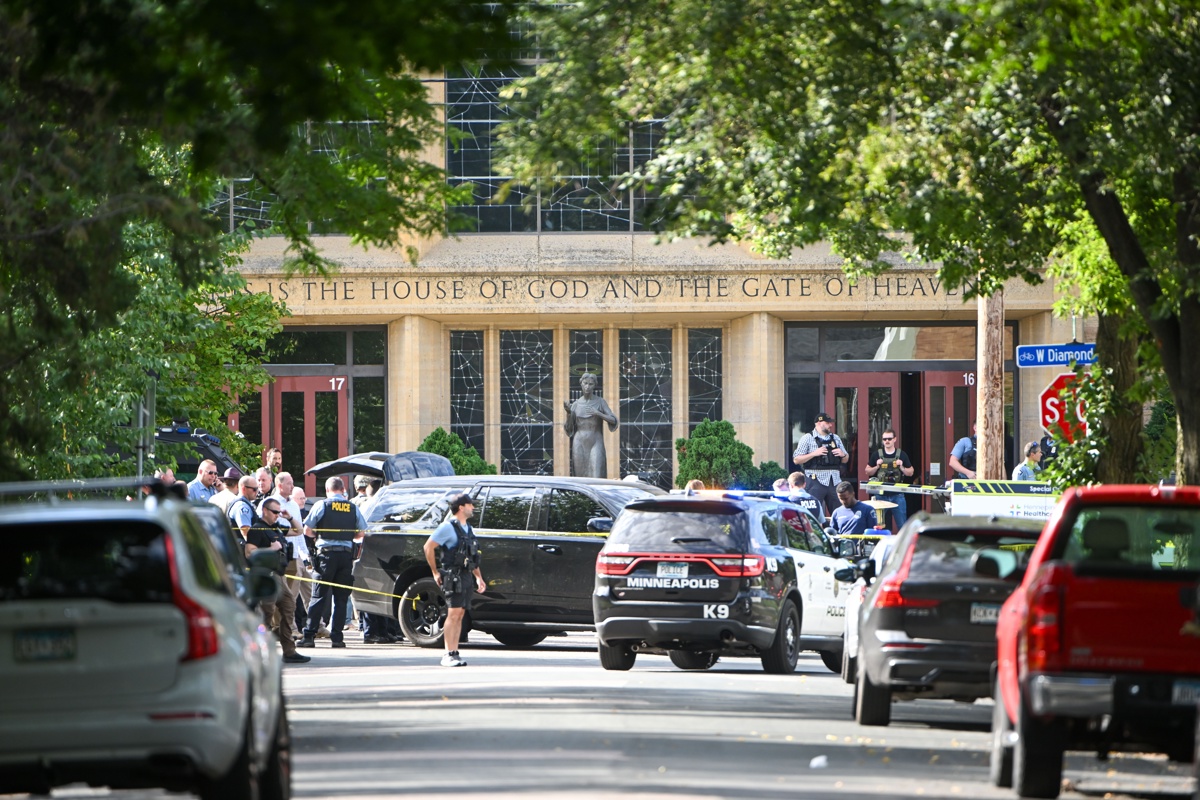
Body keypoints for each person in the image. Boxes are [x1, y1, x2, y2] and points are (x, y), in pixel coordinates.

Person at [297, 477, 368, 650]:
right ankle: (337, 639)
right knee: (341, 599)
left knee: (318, 597)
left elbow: (307, 530)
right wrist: (345, 537)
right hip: (345, 558)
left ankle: (309, 636)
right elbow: (361, 533)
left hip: (325, 557)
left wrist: (319, 536)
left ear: (328, 490)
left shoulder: (322, 505)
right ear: (343, 489)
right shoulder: (352, 507)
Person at [423, 493, 486, 667]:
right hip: (452, 576)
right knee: (453, 613)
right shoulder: (447, 527)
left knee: (460, 614)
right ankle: (447, 654)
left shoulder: (468, 528)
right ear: (461, 507)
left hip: (466, 576)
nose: (473, 507)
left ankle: (455, 652)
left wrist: (478, 578)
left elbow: (471, 557)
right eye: (470, 505)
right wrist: (435, 572)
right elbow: (428, 547)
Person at [246, 499, 310, 664]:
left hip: (279, 575)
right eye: (275, 512)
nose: (277, 515)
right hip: (265, 575)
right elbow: (249, 553)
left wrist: (288, 518)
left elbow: (299, 530)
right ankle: (258, 652)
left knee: (289, 607)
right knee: (266, 613)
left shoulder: (276, 528)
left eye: (278, 512)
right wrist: (271, 549)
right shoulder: (257, 529)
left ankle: (289, 650)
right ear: (265, 511)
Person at [792, 412, 848, 516]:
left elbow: (846, 460)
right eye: (827, 423)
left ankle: (838, 532)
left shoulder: (835, 438)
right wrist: (814, 453)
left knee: (841, 514)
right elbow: (796, 459)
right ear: (819, 423)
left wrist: (843, 455)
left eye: (830, 423)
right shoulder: (807, 438)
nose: (830, 425)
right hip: (815, 480)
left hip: (834, 481)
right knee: (811, 513)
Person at [563, 372, 619, 478]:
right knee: (580, 476)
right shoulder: (575, 404)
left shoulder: (600, 402)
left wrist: (598, 413)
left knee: (596, 474)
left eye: (590, 384)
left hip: (595, 440)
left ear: (594, 385)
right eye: (585, 383)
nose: (587, 387)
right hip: (579, 441)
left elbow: (613, 420)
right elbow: (569, 429)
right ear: (581, 384)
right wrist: (569, 413)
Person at [863, 429, 915, 532]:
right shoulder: (877, 454)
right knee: (877, 525)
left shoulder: (901, 454)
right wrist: (877, 466)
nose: (887, 441)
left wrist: (902, 467)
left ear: (894, 439)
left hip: (898, 495)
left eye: (889, 439)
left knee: (902, 525)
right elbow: (867, 471)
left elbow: (911, 472)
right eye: (884, 439)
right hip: (881, 495)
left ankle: (903, 546)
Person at [227, 475, 260, 543]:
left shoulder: (244, 503)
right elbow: (246, 533)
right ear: (243, 489)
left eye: (257, 489)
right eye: (254, 489)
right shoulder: (242, 507)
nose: (257, 492)